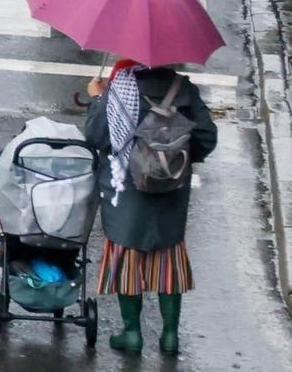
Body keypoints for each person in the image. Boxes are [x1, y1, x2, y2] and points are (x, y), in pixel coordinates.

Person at [84, 59, 218, 353]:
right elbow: (207, 137)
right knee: (168, 256)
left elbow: (96, 135)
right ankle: (170, 335)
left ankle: (132, 333)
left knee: (127, 256)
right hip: (172, 191)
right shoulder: (184, 89)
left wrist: (97, 97)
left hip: (128, 194)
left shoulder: (120, 90)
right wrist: (174, 161)